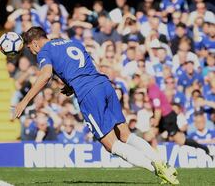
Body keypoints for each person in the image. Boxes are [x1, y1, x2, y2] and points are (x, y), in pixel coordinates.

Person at [14, 26, 179, 184]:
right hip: (104, 84)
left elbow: (45, 75)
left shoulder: (44, 51)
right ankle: (163, 164)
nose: (32, 52)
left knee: (111, 144)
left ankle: (157, 170)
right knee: (125, 134)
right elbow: (90, 65)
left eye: (30, 48)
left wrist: (24, 101)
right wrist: (72, 85)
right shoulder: (72, 42)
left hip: (89, 93)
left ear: (35, 43)